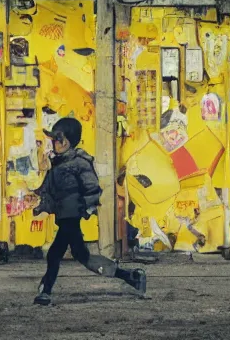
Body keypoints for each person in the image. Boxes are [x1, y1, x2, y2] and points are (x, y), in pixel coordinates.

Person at [32, 117, 146, 305]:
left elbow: (92, 188)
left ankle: (46, 290)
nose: (53, 144)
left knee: (55, 253)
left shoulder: (80, 162)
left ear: (65, 141)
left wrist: (83, 207)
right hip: (65, 217)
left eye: (56, 140)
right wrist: (39, 204)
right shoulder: (56, 166)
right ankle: (131, 277)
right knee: (83, 256)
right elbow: (50, 193)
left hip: (71, 218)